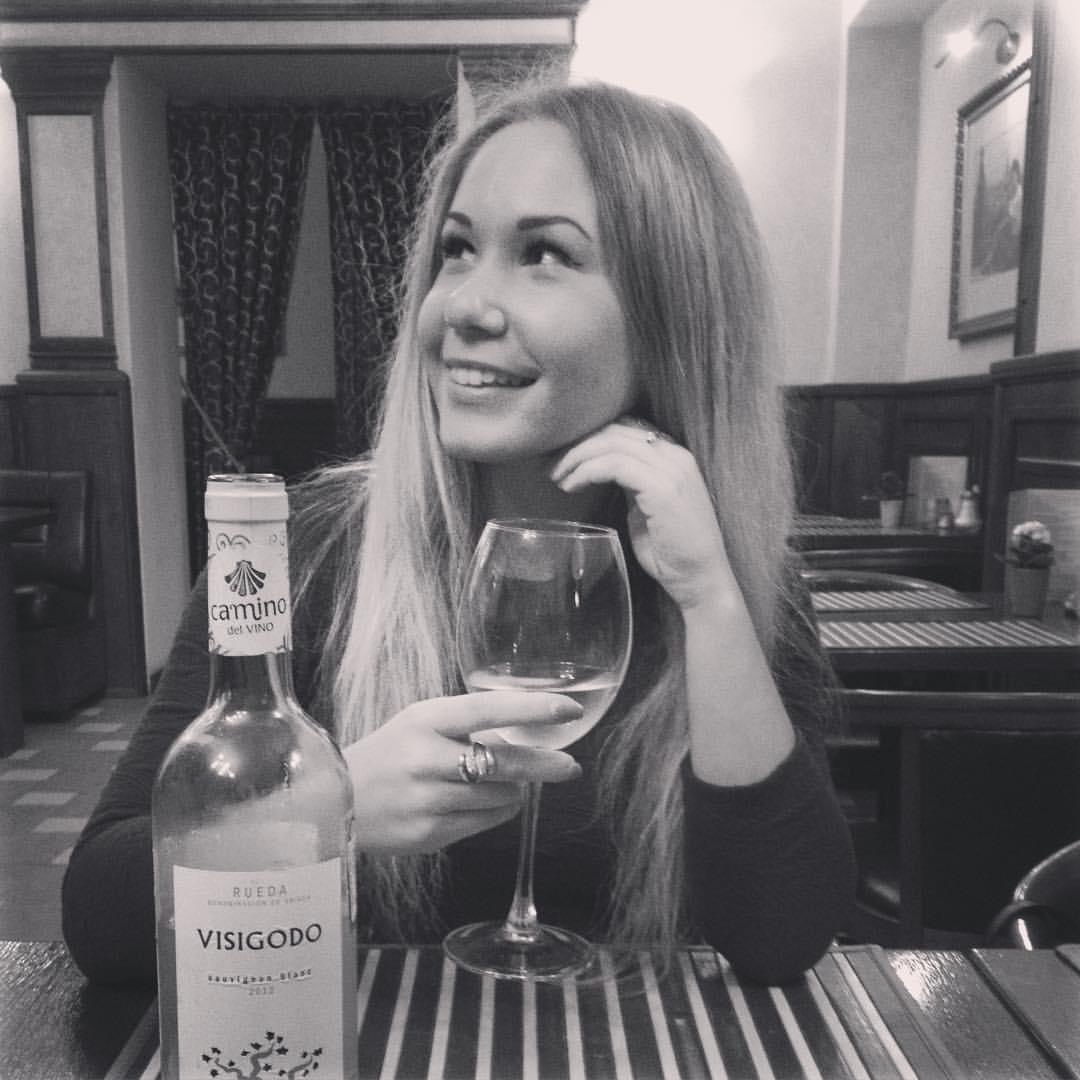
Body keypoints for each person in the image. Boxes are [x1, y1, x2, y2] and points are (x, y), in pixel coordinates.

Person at [62, 77, 855, 986]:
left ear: (673, 317)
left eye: (545, 254)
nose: (465, 307)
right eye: (457, 249)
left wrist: (710, 597)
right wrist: (324, 811)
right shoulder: (304, 550)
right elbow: (101, 915)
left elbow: (780, 936)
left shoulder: (730, 570)